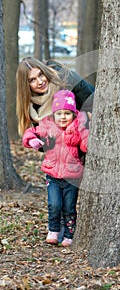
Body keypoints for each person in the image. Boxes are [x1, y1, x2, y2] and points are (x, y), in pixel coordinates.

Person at [22, 90, 89, 247]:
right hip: (52, 175)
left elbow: (86, 145)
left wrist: (86, 135)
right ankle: (53, 230)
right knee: (54, 204)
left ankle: (69, 234)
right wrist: (32, 140)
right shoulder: (47, 125)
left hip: (72, 177)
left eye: (67, 113)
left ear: (73, 114)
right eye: (59, 113)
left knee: (69, 207)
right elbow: (30, 132)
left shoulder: (78, 128)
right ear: (54, 114)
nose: (63, 117)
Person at [16, 57, 94, 137]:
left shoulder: (66, 79)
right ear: (26, 86)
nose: (40, 82)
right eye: (32, 80)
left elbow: (91, 105)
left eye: (41, 74)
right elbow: (44, 144)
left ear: (45, 71)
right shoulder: (32, 108)